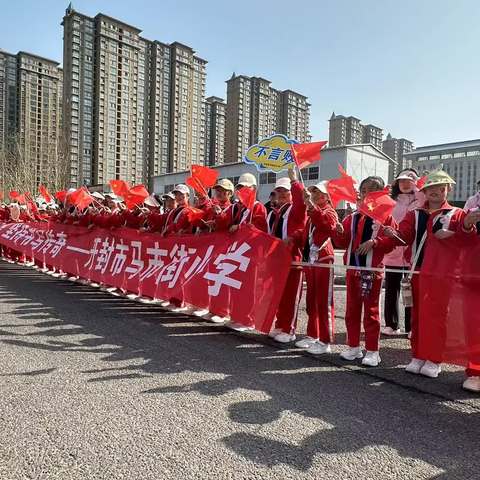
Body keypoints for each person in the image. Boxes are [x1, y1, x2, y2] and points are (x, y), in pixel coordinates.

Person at [384, 170, 480, 381]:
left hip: (442, 275)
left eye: (441, 188)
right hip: (417, 272)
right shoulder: (415, 214)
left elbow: (469, 243)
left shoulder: (457, 214)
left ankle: (434, 359)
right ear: (424, 191)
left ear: (448, 190)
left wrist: (466, 226)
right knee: (416, 317)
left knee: (437, 318)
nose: (436, 192)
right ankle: (417, 355)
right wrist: (392, 234)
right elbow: (404, 238)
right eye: (431, 188)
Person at [333, 176, 396, 367]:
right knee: (352, 311)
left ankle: (372, 350)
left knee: (371, 312)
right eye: (365, 189)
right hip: (353, 270)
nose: (367, 193)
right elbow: (343, 243)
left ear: (380, 194)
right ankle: (353, 346)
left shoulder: (385, 217)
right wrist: (338, 231)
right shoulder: (351, 217)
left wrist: (376, 241)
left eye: (373, 190)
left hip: (371, 272)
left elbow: (393, 242)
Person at [296, 180, 338, 354]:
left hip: (323, 259)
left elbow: (328, 225)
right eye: (314, 193)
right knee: (312, 301)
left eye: (320, 193)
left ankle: (325, 341)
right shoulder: (312, 213)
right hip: (312, 260)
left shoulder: (330, 212)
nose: (316, 196)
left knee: (324, 302)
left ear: (327, 196)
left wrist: (312, 208)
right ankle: (313, 334)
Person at [382, 169, 424, 336]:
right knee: (391, 289)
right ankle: (391, 324)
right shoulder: (390, 200)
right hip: (393, 252)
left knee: (411, 290)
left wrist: (419, 190)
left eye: (409, 180)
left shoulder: (421, 200)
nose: (405, 184)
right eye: (402, 181)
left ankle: (411, 326)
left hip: (412, 252)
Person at [267, 169, 307, 343]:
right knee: (280, 296)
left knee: (291, 296)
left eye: (286, 191)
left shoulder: (295, 209)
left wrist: (294, 181)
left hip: (293, 260)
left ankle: (289, 329)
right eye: (279, 191)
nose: (282, 194)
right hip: (277, 261)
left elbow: (302, 203)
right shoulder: (274, 213)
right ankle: (280, 324)